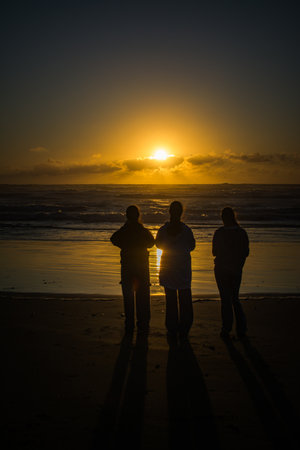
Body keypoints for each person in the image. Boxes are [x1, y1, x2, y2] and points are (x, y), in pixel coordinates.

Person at [110, 205, 155, 334]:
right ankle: (143, 323)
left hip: (128, 266)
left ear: (127, 216)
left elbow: (113, 238)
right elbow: (151, 242)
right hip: (141, 267)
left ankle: (129, 323)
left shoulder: (125, 230)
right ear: (138, 216)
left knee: (128, 296)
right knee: (143, 297)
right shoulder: (142, 230)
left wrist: (124, 244)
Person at [156, 201, 195, 338]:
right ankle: (184, 327)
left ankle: (172, 326)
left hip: (168, 266)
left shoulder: (163, 230)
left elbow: (158, 245)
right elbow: (192, 246)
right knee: (185, 299)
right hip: (182, 267)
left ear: (170, 212)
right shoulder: (186, 230)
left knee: (171, 299)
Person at [212, 206, 249, 339]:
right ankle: (241, 328)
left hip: (221, 269)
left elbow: (214, 252)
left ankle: (226, 328)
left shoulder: (219, 233)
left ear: (223, 218)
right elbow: (246, 252)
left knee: (225, 299)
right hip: (236, 269)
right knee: (235, 298)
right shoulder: (241, 232)